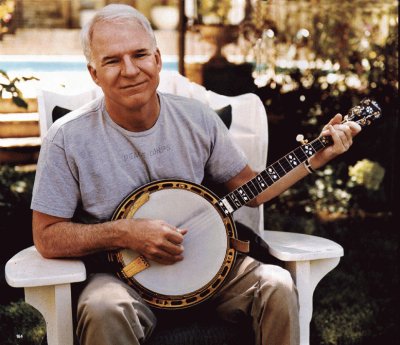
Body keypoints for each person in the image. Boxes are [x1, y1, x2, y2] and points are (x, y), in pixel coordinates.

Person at [31, 4, 361, 345]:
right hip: (121, 275)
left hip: (211, 270)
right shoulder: (67, 138)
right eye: (112, 60)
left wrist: (315, 157)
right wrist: (125, 233)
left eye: (140, 54)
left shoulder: (196, 118)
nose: (130, 70)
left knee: (275, 284)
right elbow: (47, 237)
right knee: (103, 307)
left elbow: (253, 189)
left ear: (158, 60)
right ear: (94, 73)